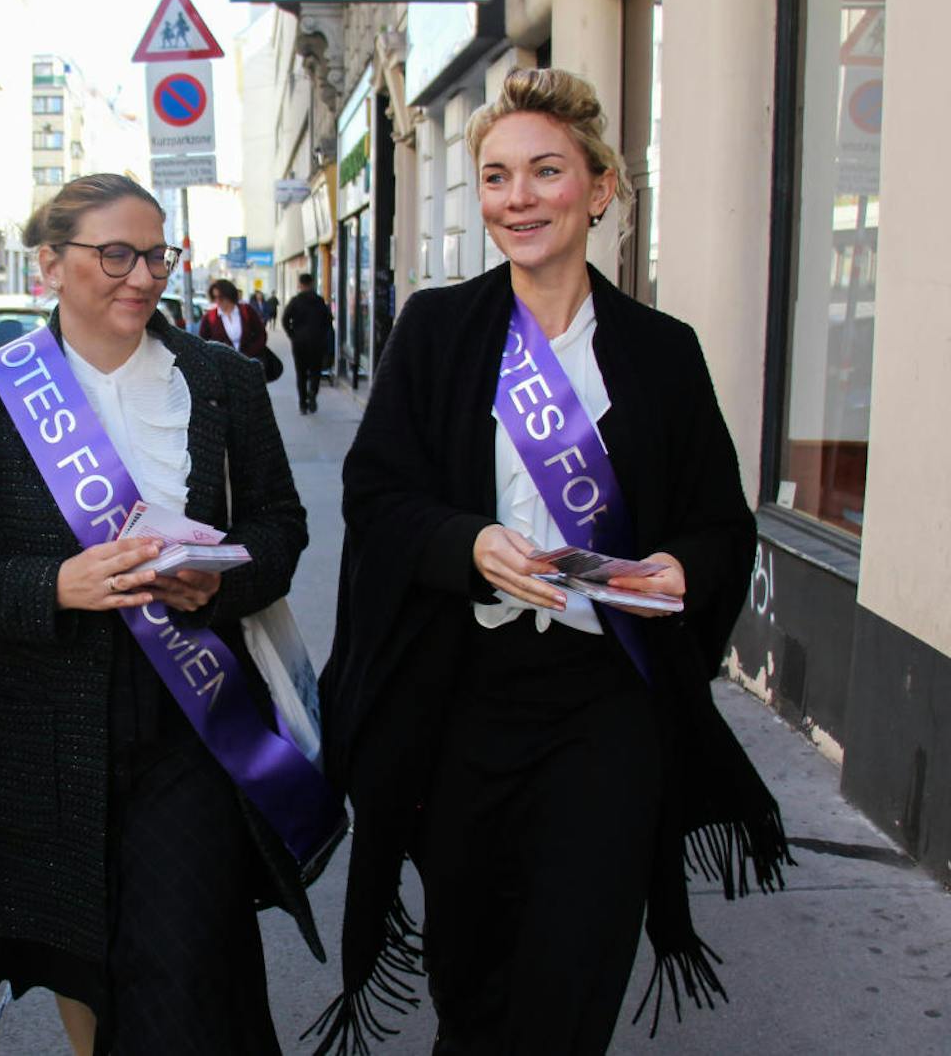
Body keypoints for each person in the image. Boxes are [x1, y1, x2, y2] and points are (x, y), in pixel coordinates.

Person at [310, 68, 790, 1054]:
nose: (515, 198)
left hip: (605, 703)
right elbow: (377, 491)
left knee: (570, 982)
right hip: (463, 700)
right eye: (493, 177)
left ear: (598, 188)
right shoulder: (439, 333)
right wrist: (465, 542)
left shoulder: (660, 351)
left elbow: (716, 521)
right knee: (472, 982)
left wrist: (680, 571)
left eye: (542, 171)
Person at [0, 173, 325, 1054]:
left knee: (188, 958)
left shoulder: (221, 381)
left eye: (156, 254)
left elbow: (283, 526)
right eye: (116, 255)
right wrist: (57, 585)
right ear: (50, 265)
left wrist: (222, 581)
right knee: (81, 959)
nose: (142, 277)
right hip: (42, 733)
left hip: (191, 717)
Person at [281, 273, 333, 415]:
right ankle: (313, 392)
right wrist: (321, 335)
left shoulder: (295, 301)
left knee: (301, 373)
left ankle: (303, 404)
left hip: (299, 343)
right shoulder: (319, 301)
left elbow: (285, 319)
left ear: (300, 284)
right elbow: (328, 320)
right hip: (316, 342)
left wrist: (292, 335)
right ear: (312, 283)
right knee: (315, 370)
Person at [198, 277, 267, 361]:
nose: (218, 301)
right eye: (215, 297)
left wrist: (250, 354)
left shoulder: (246, 311)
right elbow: (202, 344)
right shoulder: (209, 317)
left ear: (229, 295)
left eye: (221, 297)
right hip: (223, 367)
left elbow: (261, 334)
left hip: (248, 364)